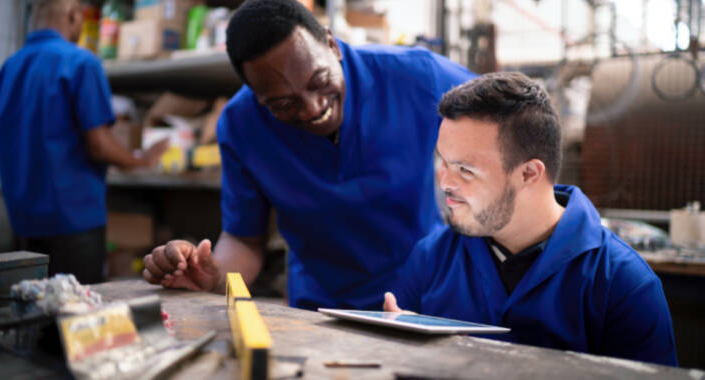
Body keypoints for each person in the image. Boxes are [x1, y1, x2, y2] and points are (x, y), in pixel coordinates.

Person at [142, 0, 477, 310]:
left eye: (319, 80)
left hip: (423, 294)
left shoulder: (416, 78)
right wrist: (213, 279)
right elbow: (244, 241)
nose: (313, 109)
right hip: (321, 308)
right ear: (254, 93)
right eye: (283, 104)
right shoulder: (241, 125)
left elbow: (511, 118)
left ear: (332, 45)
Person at [382, 72, 677, 366]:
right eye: (442, 162)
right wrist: (402, 350)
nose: (444, 181)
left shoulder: (622, 285)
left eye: (465, 170)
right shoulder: (431, 259)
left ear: (528, 174)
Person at [0, 0, 167, 284]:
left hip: (22, 221)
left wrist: (24, 158)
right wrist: (142, 160)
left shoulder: (7, 70)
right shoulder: (81, 62)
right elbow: (100, 145)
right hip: (74, 223)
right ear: (72, 15)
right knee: (76, 319)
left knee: (34, 312)